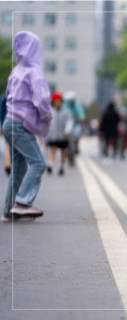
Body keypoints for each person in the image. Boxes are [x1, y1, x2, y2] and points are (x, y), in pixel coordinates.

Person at [1, 31, 52, 222]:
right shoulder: (34, 72)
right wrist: (47, 116)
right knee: (38, 162)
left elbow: (7, 95)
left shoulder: (16, 71)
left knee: (19, 168)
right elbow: (42, 100)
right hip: (21, 125)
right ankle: (22, 203)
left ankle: (8, 210)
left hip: (9, 123)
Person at [46, 91, 73, 176]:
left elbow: (69, 121)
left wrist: (68, 129)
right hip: (53, 135)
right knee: (53, 149)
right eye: (56, 101)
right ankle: (50, 164)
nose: (58, 103)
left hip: (63, 135)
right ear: (53, 102)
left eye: (59, 101)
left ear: (62, 102)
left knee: (63, 151)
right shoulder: (51, 112)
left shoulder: (66, 112)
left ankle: (62, 166)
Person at [63, 91, 85, 165]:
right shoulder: (64, 106)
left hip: (75, 124)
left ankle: (76, 146)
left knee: (77, 134)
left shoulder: (76, 106)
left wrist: (81, 119)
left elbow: (81, 115)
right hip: (66, 125)